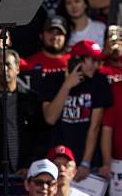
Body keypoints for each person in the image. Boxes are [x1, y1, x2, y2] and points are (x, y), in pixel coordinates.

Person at [0, 49, 48, 195]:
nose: (4, 69)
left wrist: (30, 167)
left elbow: (41, 138)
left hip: (28, 179)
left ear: (17, 68)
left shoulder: (32, 100)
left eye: (8, 64)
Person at [42, 40, 113, 180]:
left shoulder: (100, 81)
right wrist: (67, 86)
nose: (95, 65)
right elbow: (50, 118)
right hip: (58, 162)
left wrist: (85, 162)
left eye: (97, 61)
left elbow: (95, 126)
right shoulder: (52, 79)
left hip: (87, 164)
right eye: (91, 60)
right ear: (77, 61)